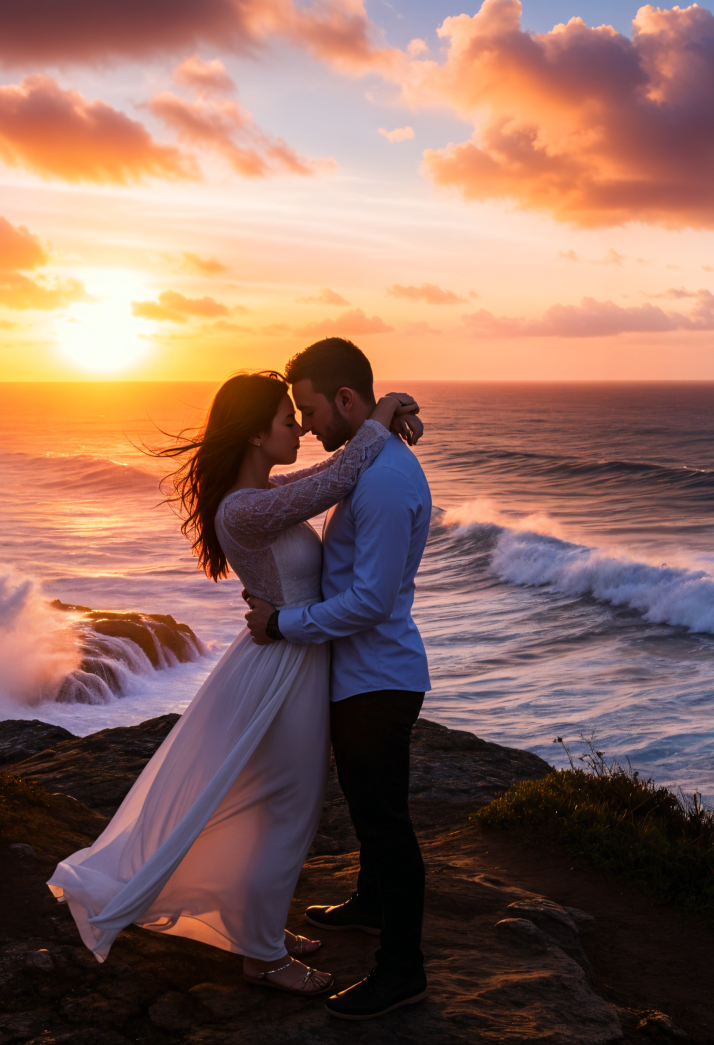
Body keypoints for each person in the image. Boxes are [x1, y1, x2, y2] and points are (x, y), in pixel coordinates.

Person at [46, 369, 422, 997]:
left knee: (284, 808)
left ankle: (259, 930)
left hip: (295, 658)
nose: (300, 429)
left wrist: (378, 423)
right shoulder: (243, 509)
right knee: (287, 809)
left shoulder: (266, 493)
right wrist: (379, 416)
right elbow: (335, 480)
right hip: (281, 667)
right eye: (287, 419)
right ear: (254, 433)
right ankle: (263, 958)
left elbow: (332, 474)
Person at [243, 337, 434, 1021]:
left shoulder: (381, 481)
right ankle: (372, 902)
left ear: (345, 399)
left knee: (385, 824)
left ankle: (401, 971)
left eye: (311, 409)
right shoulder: (368, 462)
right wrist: (386, 412)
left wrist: (280, 624)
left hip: (376, 676)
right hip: (364, 671)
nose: (307, 425)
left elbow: (370, 601)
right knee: (369, 810)